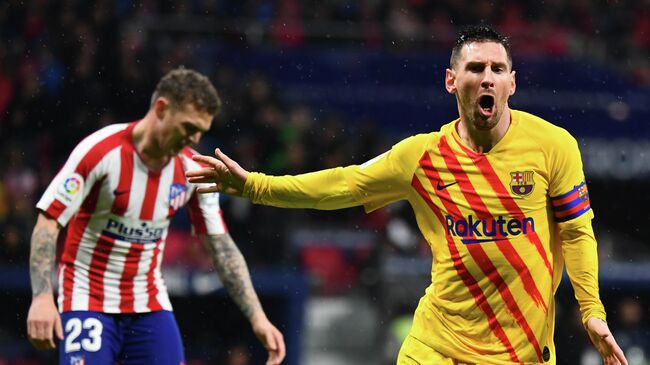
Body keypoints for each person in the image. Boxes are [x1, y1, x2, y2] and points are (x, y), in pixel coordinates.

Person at [187, 26, 629, 365]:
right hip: (435, 346)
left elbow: (576, 231)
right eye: (476, 69)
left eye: (497, 70)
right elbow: (342, 184)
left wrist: (592, 310)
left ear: (513, 83)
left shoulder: (554, 146)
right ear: (451, 81)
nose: (488, 78)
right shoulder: (421, 157)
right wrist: (255, 186)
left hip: (522, 352)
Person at [26, 67, 286, 365]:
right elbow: (48, 223)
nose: (194, 138)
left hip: (148, 303)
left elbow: (221, 246)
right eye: (189, 127)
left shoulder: (194, 170)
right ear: (161, 108)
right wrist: (43, 296)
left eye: (201, 130)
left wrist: (258, 318)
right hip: (88, 299)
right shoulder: (100, 151)